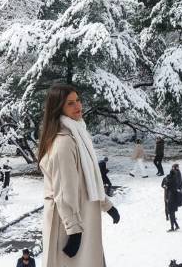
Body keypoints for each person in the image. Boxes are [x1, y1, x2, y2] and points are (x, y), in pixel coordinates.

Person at [37, 84, 120, 267]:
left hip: (83, 216)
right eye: (70, 103)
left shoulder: (78, 134)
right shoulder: (64, 142)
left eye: (78, 100)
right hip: (69, 222)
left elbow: (88, 178)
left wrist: (107, 204)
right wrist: (74, 231)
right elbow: (64, 190)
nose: (78, 106)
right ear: (59, 108)